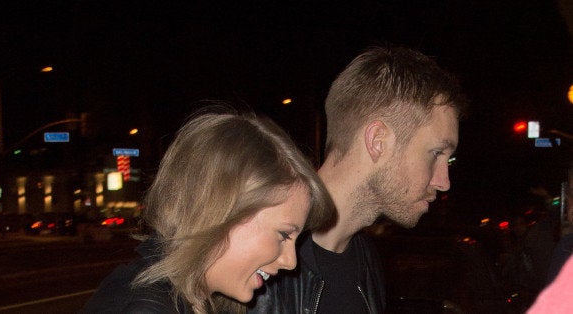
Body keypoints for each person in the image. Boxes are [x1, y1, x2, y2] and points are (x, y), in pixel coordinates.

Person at [249, 45, 468, 313]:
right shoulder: (257, 256)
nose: (444, 182)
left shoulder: (367, 261)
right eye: (435, 153)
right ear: (378, 141)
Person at [81, 108, 335, 314]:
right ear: (224, 211)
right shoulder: (149, 307)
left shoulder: (194, 300)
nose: (290, 262)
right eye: (283, 235)